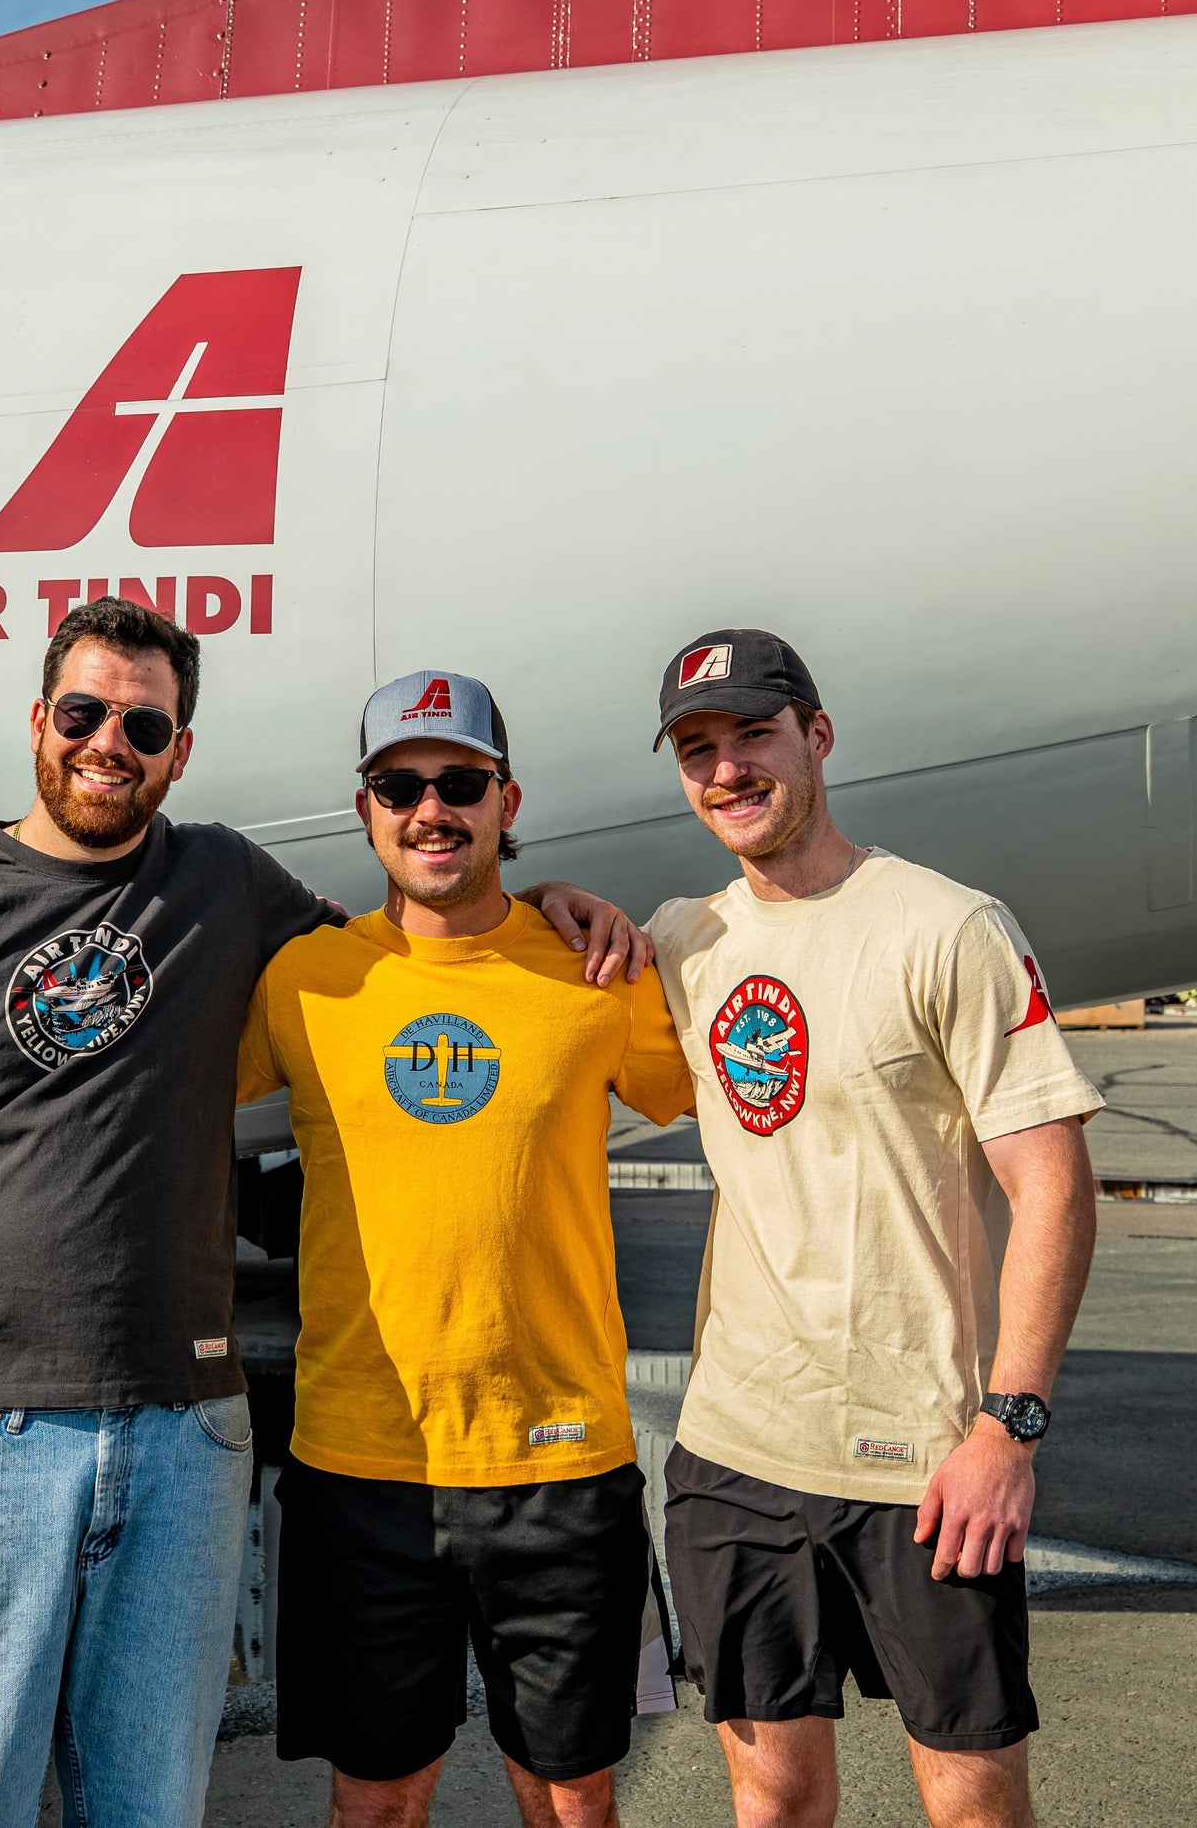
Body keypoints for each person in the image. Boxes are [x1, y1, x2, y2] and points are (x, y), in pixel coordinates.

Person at [0, 600, 643, 1828]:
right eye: (82, 712)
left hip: (185, 1438)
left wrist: (547, 900)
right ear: (39, 722)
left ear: (179, 749)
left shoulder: (220, 879)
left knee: (150, 1807)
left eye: (142, 722)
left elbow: (410, 952)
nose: (106, 740)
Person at [644, 629, 1102, 1828]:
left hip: (922, 1457)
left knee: (969, 1798)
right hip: (736, 1449)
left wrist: (1008, 1425)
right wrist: (554, 899)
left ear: (816, 734)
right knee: (774, 1797)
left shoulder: (947, 926)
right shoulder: (685, 943)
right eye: (698, 748)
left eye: (753, 734)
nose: (727, 769)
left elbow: (1052, 1179)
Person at [237, 668, 695, 1828]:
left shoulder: (597, 973)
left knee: (572, 1800)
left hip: (557, 1462)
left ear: (506, 799)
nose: (429, 807)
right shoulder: (303, 979)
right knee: (378, 1798)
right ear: (365, 808)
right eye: (400, 783)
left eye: (459, 782)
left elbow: (757, 1101)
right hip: (359, 1465)